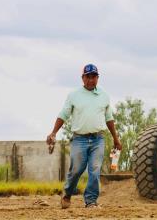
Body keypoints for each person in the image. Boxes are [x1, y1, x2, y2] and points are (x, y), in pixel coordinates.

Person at [46, 63, 122, 209]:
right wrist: (53, 132)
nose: (91, 80)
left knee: (95, 169)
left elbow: (109, 119)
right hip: (79, 139)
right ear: (83, 78)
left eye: (94, 77)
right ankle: (67, 194)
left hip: (98, 139)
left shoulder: (104, 96)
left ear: (97, 78)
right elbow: (63, 115)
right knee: (76, 170)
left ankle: (91, 201)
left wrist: (116, 139)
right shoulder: (74, 95)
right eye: (88, 77)